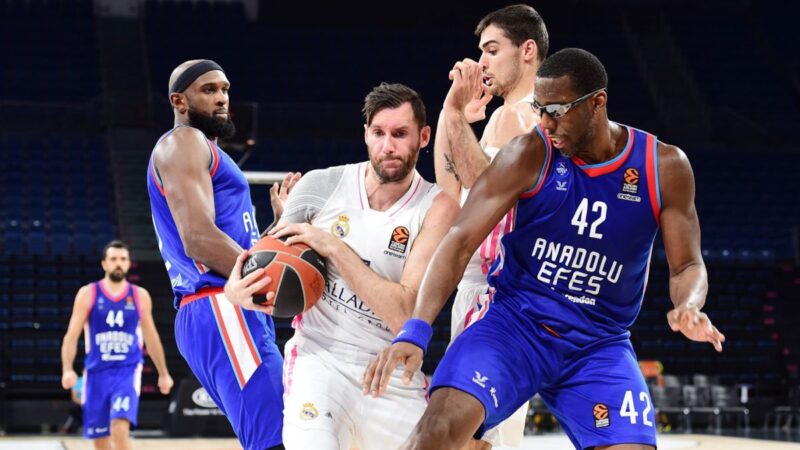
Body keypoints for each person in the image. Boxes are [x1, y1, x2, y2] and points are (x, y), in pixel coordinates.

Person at [363, 48, 726, 450]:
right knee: (437, 432)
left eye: (557, 111)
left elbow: (687, 265)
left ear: (597, 103)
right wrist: (417, 330)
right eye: (540, 109)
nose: (546, 123)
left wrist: (689, 305)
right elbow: (459, 241)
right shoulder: (529, 152)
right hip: (515, 327)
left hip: (598, 343)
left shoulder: (663, 167)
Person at [225, 82, 459, 450]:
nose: (388, 146)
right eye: (378, 133)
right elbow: (261, 266)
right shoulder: (321, 185)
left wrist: (333, 246)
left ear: (424, 136)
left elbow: (405, 314)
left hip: (392, 369)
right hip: (320, 360)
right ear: (366, 134)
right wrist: (236, 290)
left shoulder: (437, 207)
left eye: (400, 134)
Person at [146, 59, 292, 450]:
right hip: (220, 303)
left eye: (225, 89)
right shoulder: (183, 142)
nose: (222, 98)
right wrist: (271, 281)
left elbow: (229, 244)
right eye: (209, 90)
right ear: (179, 101)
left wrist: (275, 229)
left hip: (229, 302)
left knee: (274, 434)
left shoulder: (205, 149)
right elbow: (198, 239)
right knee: (277, 438)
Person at [433, 5, 548, 447]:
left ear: (527, 50)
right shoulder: (536, 116)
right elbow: (452, 191)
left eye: (493, 50)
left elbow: (481, 192)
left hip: (492, 291)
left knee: (464, 432)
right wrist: (453, 116)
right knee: (486, 435)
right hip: (515, 293)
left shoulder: (512, 116)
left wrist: (454, 114)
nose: (482, 62)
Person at [61, 240, 173, 450]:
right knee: (101, 441)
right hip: (96, 373)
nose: (118, 263)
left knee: (119, 427)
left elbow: (151, 337)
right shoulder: (88, 293)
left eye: (123, 259)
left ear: (129, 263)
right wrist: (67, 369)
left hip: (126, 371)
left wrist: (163, 373)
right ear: (104, 264)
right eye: (113, 259)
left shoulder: (140, 295)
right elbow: (71, 336)